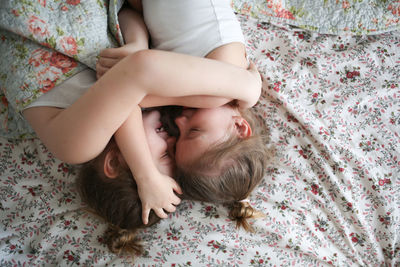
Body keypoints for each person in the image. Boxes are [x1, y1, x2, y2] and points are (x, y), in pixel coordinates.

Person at [93, 0, 270, 230]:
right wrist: (145, 175)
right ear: (240, 128)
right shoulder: (213, 95)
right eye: (194, 131)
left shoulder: (227, 94)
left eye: (179, 136)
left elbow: (128, 12)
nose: (177, 121)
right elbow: (124, 98)